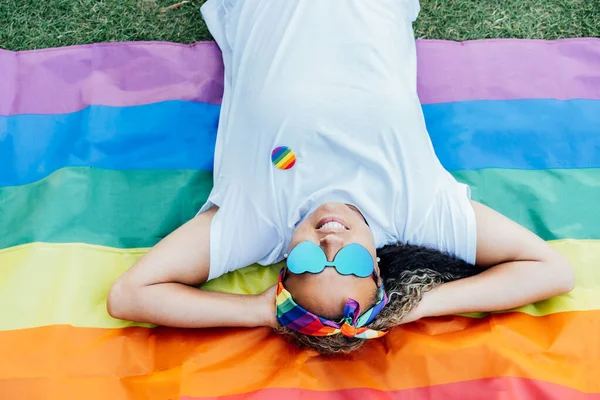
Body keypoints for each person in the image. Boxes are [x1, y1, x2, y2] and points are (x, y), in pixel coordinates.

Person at [107, 0, 575, 355]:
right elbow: (552, 271)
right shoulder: (417, 210)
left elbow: (130, 295)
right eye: (349, 265)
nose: (329, 244)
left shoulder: (256, 223)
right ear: (376, 266)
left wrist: (260, 313)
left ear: (283, 269)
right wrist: (415, 306)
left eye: (309, 263)